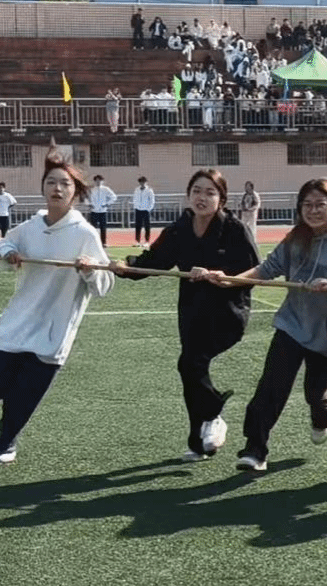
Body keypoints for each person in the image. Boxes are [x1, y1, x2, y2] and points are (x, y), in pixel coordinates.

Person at [206, 178, 327, 473]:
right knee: (272, 386)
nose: (313, 210)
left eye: (320, 204)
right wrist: (229, 280)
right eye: (307, 205)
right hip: (292, 324)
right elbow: (267, 269)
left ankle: (324, 408)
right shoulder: (296, 240)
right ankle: (255, 450)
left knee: (316, 397)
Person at [0, 149, 115, 464]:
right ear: (42, 187)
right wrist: (7, 252)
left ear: (75, 192)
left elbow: (105, 285)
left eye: (65, 184)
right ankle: (15, 395)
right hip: (19, 323)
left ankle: (6, 441)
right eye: (51, 182)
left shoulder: (85, 234)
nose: (57, 188)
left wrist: (89, 270)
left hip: (54, 331)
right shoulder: (30, 227)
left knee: (22, 402)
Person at [110, 170, 259, 462]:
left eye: (210, 192)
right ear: (189, 195)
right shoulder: (179, 229)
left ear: (221, 199)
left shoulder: (235, 229)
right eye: (197, 191)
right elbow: (155, 261)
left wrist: (221, 276)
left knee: (191, 363)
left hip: (228, 312)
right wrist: (125, 267)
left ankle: (213, 413)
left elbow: (255, 271)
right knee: (190, 368)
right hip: (192, 310)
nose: (202, 197)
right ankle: (197, 443)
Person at [87, 174, 117, 247]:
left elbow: (113, 197)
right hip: (94, 211)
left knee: (103, 227)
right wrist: (89, 204)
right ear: (94, 181)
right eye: (97, 181)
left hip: (103, 211)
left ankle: (103, 242)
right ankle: (93, 242)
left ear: (102, 181)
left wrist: (107, 204)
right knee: (93, 228)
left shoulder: (106, 189)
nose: (98, 182)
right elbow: (86, 198)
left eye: (100, 180)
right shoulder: (92, 189)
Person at [132, 176, 156, 248]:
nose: (142, 183)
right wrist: (136, 206)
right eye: (141, 182)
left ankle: (147, 241)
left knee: (147, 226)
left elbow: (152, 200)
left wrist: (149, 209)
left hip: (146, 210)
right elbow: (135, 198)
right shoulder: (137, 190)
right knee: (138, 226)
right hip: (138, 209)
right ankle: (137, 241)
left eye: (143, 182)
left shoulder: (149, 190)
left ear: (146, 182)